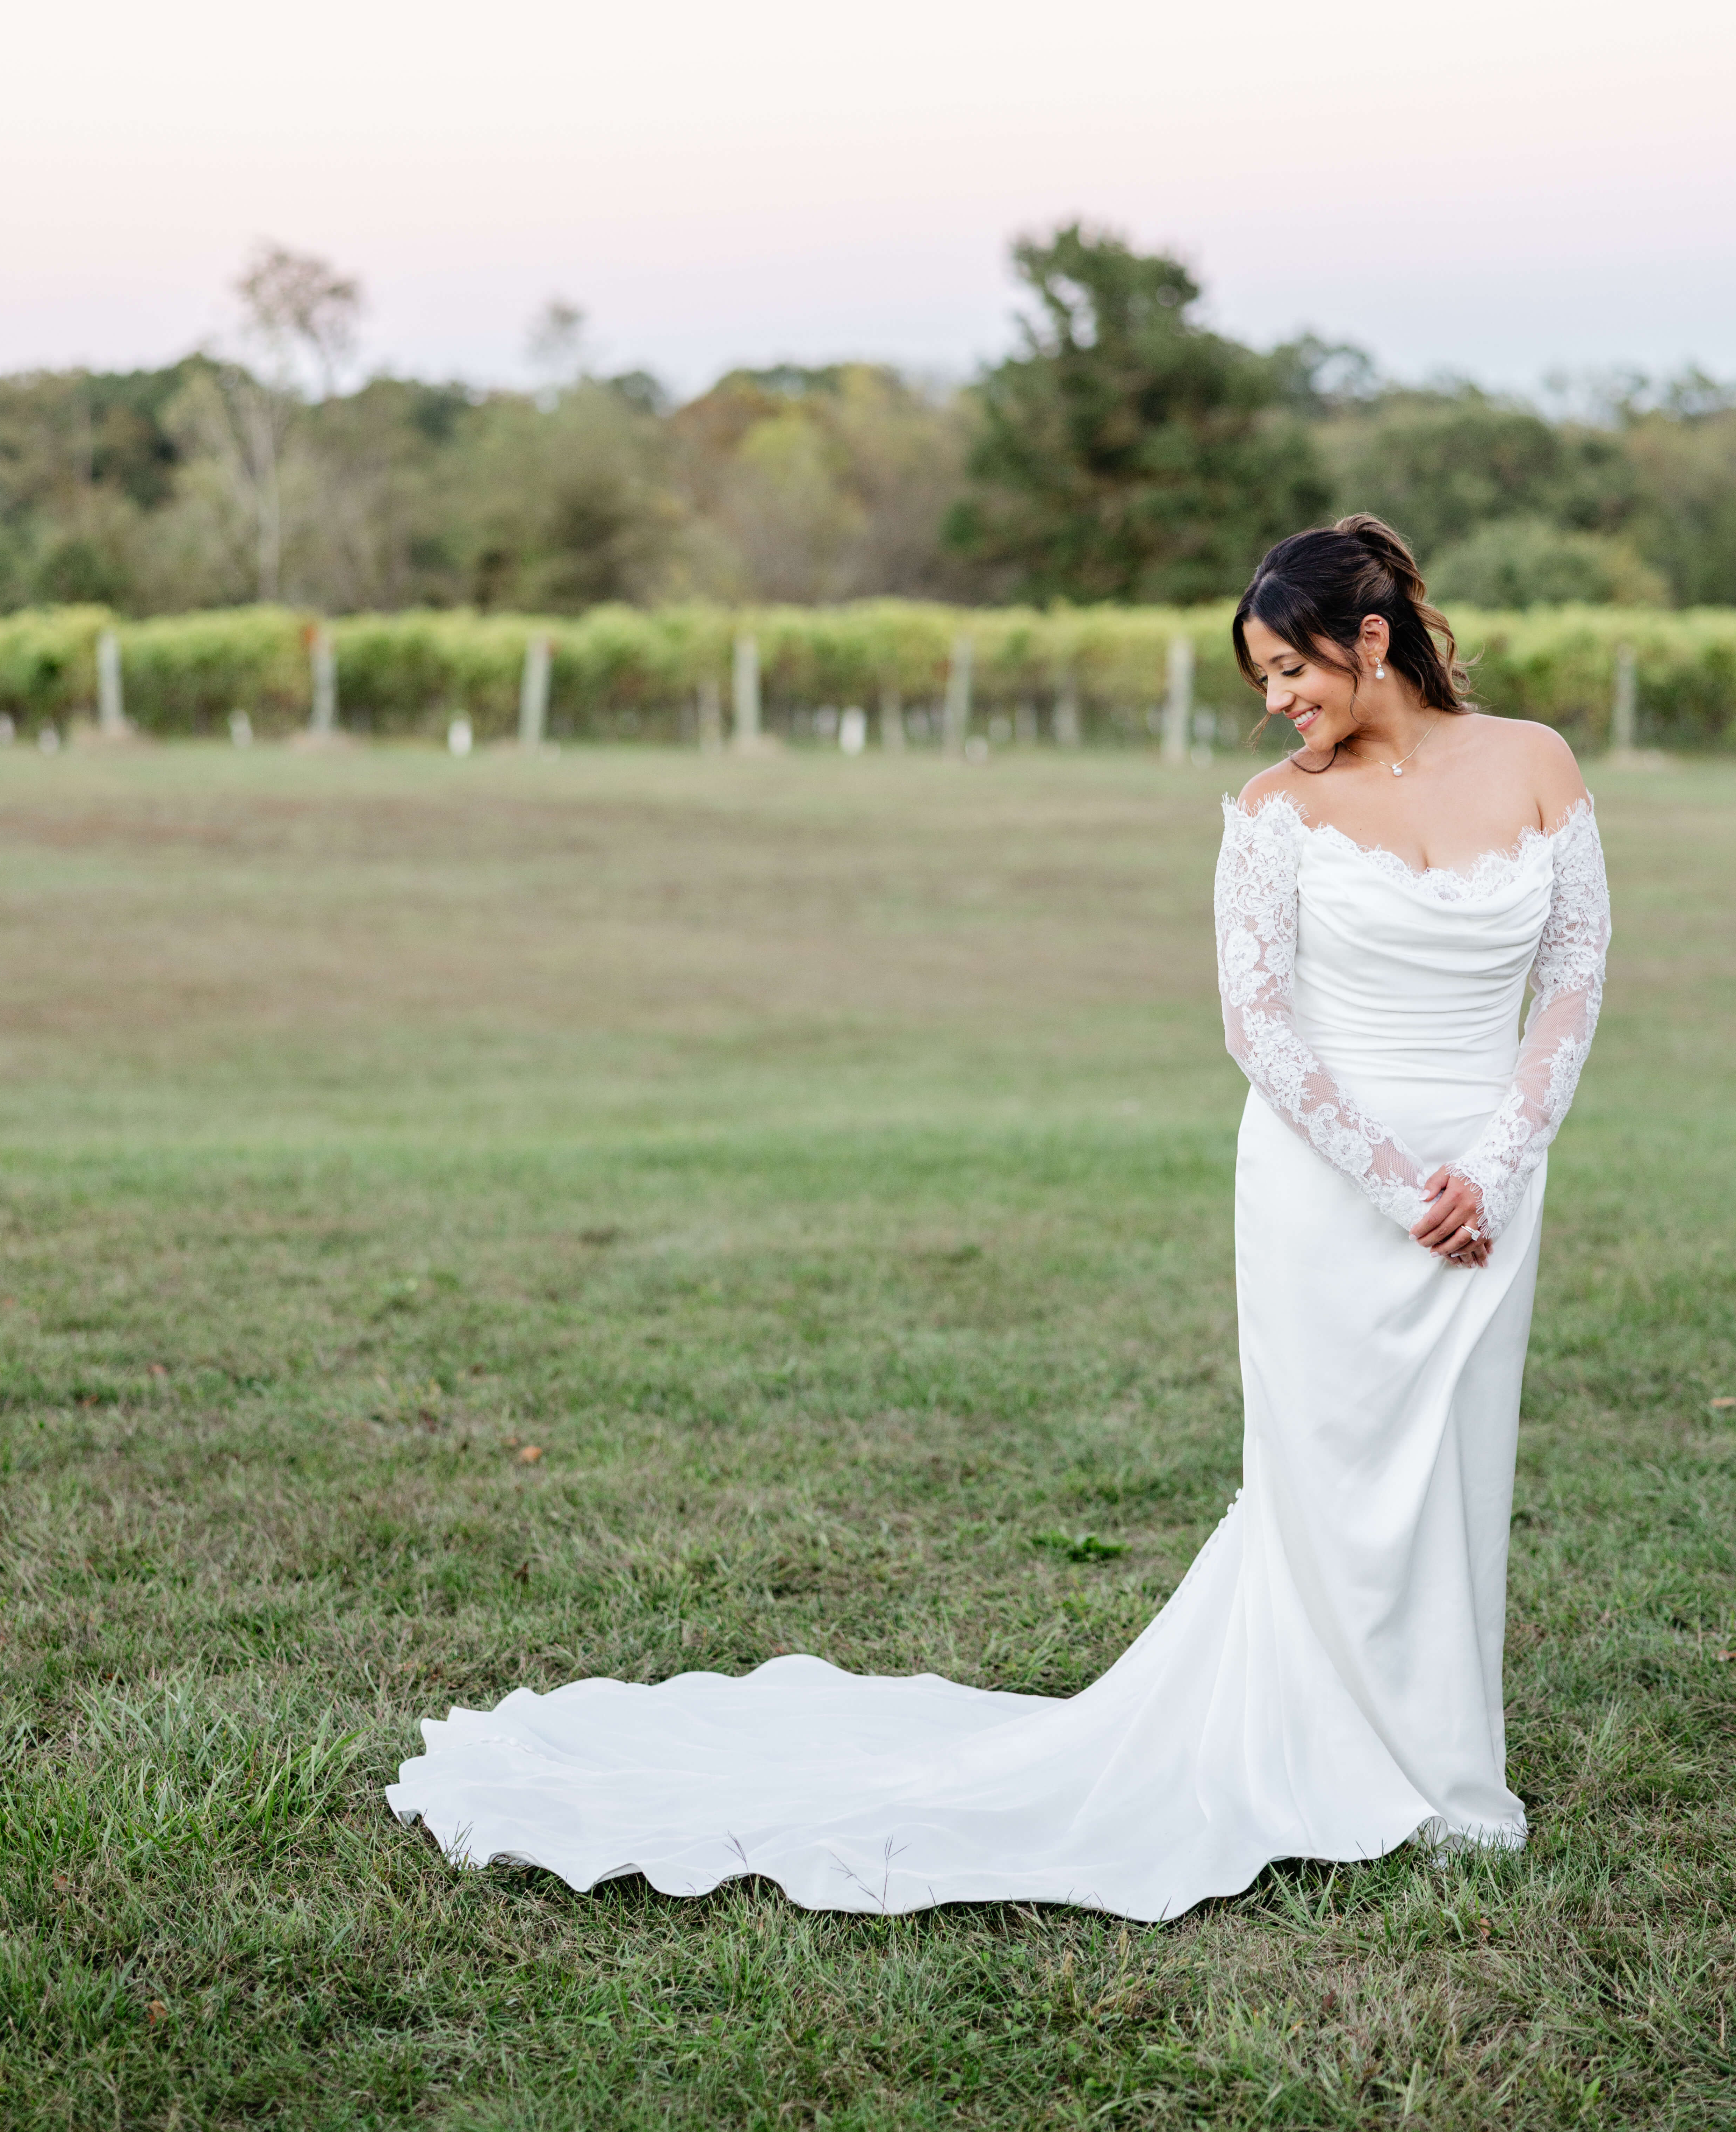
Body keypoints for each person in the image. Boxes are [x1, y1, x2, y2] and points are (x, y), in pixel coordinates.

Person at [388, 515, 1609, 1919]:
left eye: (1290, 669)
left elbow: (1575, 970)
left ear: (1372, 640)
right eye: (1262, 679)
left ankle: (1448, 1770)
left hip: (1491, 1184)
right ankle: (1326, 1757)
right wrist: (1401, 1183)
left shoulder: (1535, 765)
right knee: (1330, 1479)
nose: (1276, 702)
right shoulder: (1276, 811)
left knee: (1457, 1468)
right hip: (1336, 1189)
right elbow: (1256, 1023)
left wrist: (1501, 1163)